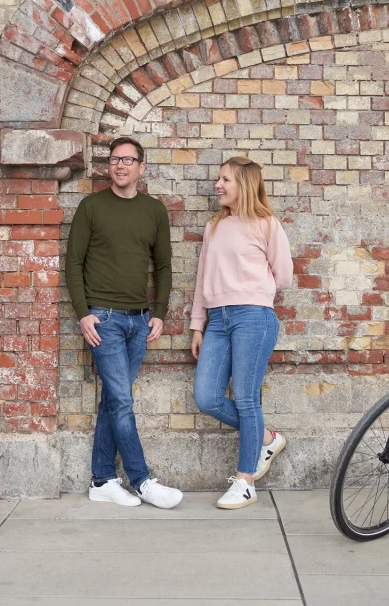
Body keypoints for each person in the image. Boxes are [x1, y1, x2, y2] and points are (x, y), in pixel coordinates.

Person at [65, 136, 183, 509]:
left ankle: (101, 480)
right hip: (104, 320)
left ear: (141, 168)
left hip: (138, 322)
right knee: (122, 401)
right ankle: (142, 480)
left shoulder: (154, 211)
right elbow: (73, 263)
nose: (121, 166)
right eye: (115, 159)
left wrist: (159, 313)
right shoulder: (91, 207)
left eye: (129, 160)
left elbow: (163, 266)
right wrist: (84, 313)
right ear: (108, 166)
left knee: (114, 404)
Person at [191, 156, 292, 509]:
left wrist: (251, 293)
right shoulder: (214, 226)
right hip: (216, 321)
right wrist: (197, 324)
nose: (218, 185)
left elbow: (284, 277)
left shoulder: (266, 225)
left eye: (225, 180)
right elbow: (203, 278)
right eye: (218, 179)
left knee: (248, 399)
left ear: (244, 185)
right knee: (207, 397)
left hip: (253, 317)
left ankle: (245, 481)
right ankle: (266, 437)